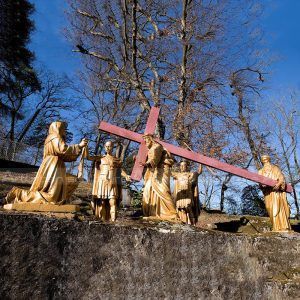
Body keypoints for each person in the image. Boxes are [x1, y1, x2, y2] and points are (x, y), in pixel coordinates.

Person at [6, 121, 88, 204]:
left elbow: (64, 155)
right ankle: (18, 193)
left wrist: (79, 149)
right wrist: (79, 146)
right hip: (53, 165)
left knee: (55, 195)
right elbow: (63, 149)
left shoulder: (53, 138)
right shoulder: (55, 137)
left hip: (54, 164)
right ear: (58, 128)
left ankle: (20, 194)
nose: (64, 131)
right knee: (52, 196)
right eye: (63, 129)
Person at [88, 141, 130, 222]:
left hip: (112, 181)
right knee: (102, 202)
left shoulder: (116, 159)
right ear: (104, 147)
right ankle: (103, 220)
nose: (108, 148)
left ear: (112, 147)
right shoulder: (100, 158)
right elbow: (88, 157)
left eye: (109, 146)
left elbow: (120, 170)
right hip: (102, 181)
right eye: (106, 146)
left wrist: (126, 176)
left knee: (112, 201)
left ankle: (113, 220)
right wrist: (85, 147)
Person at [141, 134, 178, 221]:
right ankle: (154, 213)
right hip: (154, 172)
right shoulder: (151, 148)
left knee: (163, 191)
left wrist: (147, 164)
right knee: (149, 191)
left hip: (162, 171)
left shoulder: (156, 147)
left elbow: (155, 159)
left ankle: (173, 214)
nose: (145, 142)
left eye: (146, 140)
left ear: (150, 139)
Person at [258, 155, 291, 232]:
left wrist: (279, 184)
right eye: (264, 161)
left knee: (279, 208)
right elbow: (259, 182)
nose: (266, 162)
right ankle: (275, 226)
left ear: (269, 160)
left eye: (267, 160)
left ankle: (283, 227)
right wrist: (262, 185)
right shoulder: (260, 171)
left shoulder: (275, 168)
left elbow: (281, 177)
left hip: (276, 192)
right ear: (262, 162)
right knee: (269, 208)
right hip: (268, 193)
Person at [172, 161, 202, 225]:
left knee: (189, 208)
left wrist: (201, 163)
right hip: (180, 195)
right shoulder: (177, 174)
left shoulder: (190, 174)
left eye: (184, 165)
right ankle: (182, 223)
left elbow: (199, 172)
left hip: (188, 194)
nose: (182, 167)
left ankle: (192, 224)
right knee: (181, 209)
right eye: (181, 166)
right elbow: (168, 172)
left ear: (186, 167)